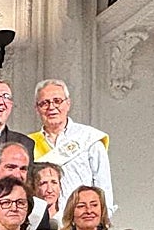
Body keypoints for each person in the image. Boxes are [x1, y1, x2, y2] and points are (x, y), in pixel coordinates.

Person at [28, 79, 115, 214]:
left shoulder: (88, 139)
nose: (51, 107)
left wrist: (102, 222)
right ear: (37, 109)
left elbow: (104, 188)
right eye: (44, 103)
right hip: (42, 223)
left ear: (68, 103)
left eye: (57, 101)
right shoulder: (28, 144)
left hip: (81, 222)